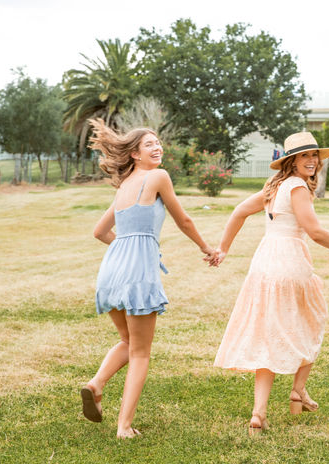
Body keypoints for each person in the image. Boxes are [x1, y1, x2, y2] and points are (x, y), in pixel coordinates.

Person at [211, 131, 329, 435]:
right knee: (313, 320)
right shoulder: (297, 187)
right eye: (305, 156)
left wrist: (224, 249)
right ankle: (297, 390)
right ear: (292, 161)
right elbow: (315, 232)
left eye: (314, 155)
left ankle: (259, 413)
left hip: (264, 264)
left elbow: (239, 211)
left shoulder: (275, 187)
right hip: (289, 262)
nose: (312, 161)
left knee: (268, 335)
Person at [81, 119, 215, 439]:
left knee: (128, 341)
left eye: (158, 142)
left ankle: (96, 385)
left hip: (111, 273)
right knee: (141, 351)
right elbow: (183, 219)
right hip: (138, 274)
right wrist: (206, 248)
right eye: (149, 144)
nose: (157, 147)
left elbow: (100, 232)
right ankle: (124, 426)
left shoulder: (124, 186)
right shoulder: (158, 177)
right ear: (134, 154)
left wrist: (126, 249)